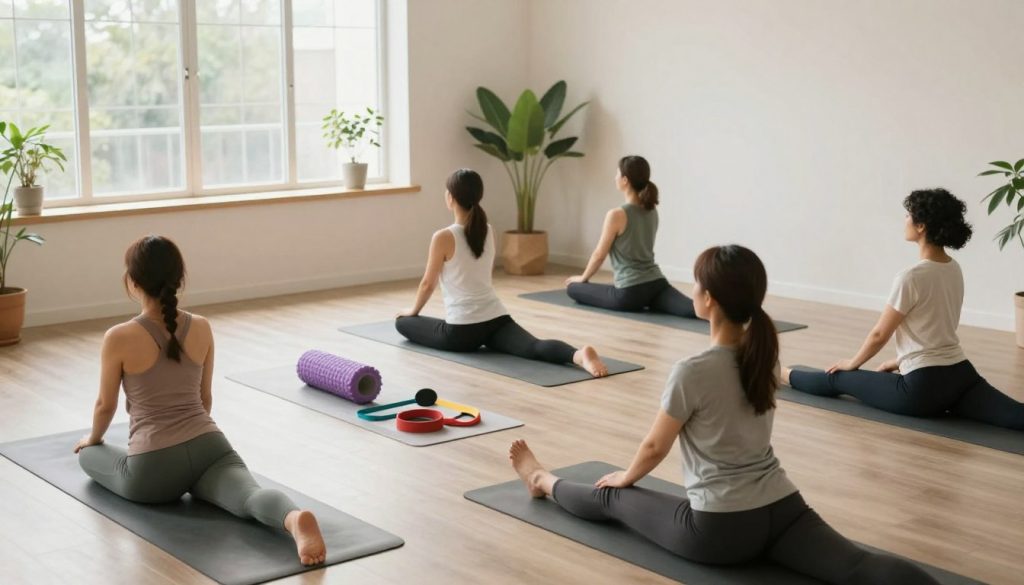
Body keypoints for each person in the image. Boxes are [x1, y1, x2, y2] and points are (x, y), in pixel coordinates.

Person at [509, 245, 939, 584]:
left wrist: (624, 477)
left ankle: (542, 480)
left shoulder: (692, 371)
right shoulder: (765, 356)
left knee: (613, 497)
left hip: (720, 530)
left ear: (709, 299)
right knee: (859, 566)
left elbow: (655, 446)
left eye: (696, 285)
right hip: (784, 509)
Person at [74, 236, 326, 566]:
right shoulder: (203, 327)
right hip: (210, 447)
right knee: (250, 496)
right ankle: (293, 519)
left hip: (153, 471)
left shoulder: (119, 336)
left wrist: (92, 439)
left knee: (89, 456)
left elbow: (104, 406)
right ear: (179, 279)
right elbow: (205, 399)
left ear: (132, 282)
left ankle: (99, 450)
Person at [783, 189, 1024, 430]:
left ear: (921, 226)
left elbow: (879, 334)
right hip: (962, 376)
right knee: (1016, 415)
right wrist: (900, 360)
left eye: (908, 215)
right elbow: (937, 326)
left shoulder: (911, 277)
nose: (904, 220)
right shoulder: (954, 268)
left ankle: (780, 374)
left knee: (838, 379)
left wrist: (851, 363)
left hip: (921, 390)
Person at [395, 169, 608, 377]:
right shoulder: (486, 230)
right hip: (496, 319)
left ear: (450, 197)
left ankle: (581, 355)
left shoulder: (443, 236)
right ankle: (578, 355)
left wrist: (412, 310)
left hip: (462, 332)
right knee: (534, 346)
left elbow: (427, 284)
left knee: (402, 322)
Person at [565, 155, 696, 318]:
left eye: (617, 174)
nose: (615, 178)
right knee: (693, 309)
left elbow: (599, 255)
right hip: (657, 284)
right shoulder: (651, 210)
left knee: (572, 288)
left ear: (625, 180)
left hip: (630, 294)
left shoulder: (617, 214)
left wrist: (583, 277)